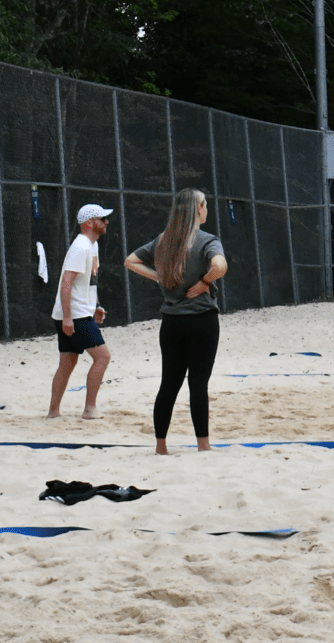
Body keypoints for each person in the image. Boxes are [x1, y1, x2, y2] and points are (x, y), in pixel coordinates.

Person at [124, 188, 228, 454]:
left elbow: (130, 261)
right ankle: (203, 446)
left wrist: (158, 276)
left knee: (169, 383)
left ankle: (161, 447)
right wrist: (205, 281)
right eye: (205, 204)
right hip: (202, 320)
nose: (207, 208)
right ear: (198, 209)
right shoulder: (207, 240)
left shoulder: (163, 241)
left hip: (171, 323)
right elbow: (220, 265)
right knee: (198, 384)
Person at [47, 204, 114, 420]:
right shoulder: (81, 247)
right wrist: (68, 317)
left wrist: (96, 306)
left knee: (67, 363)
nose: (106, 222)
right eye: (102, 218)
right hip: (74, 315)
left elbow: (89, 282)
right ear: (89, 223)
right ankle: (89, 409)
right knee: (102, 357)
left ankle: (53, 412)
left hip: (78, 312)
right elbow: (66, 282)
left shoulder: (91, 246)